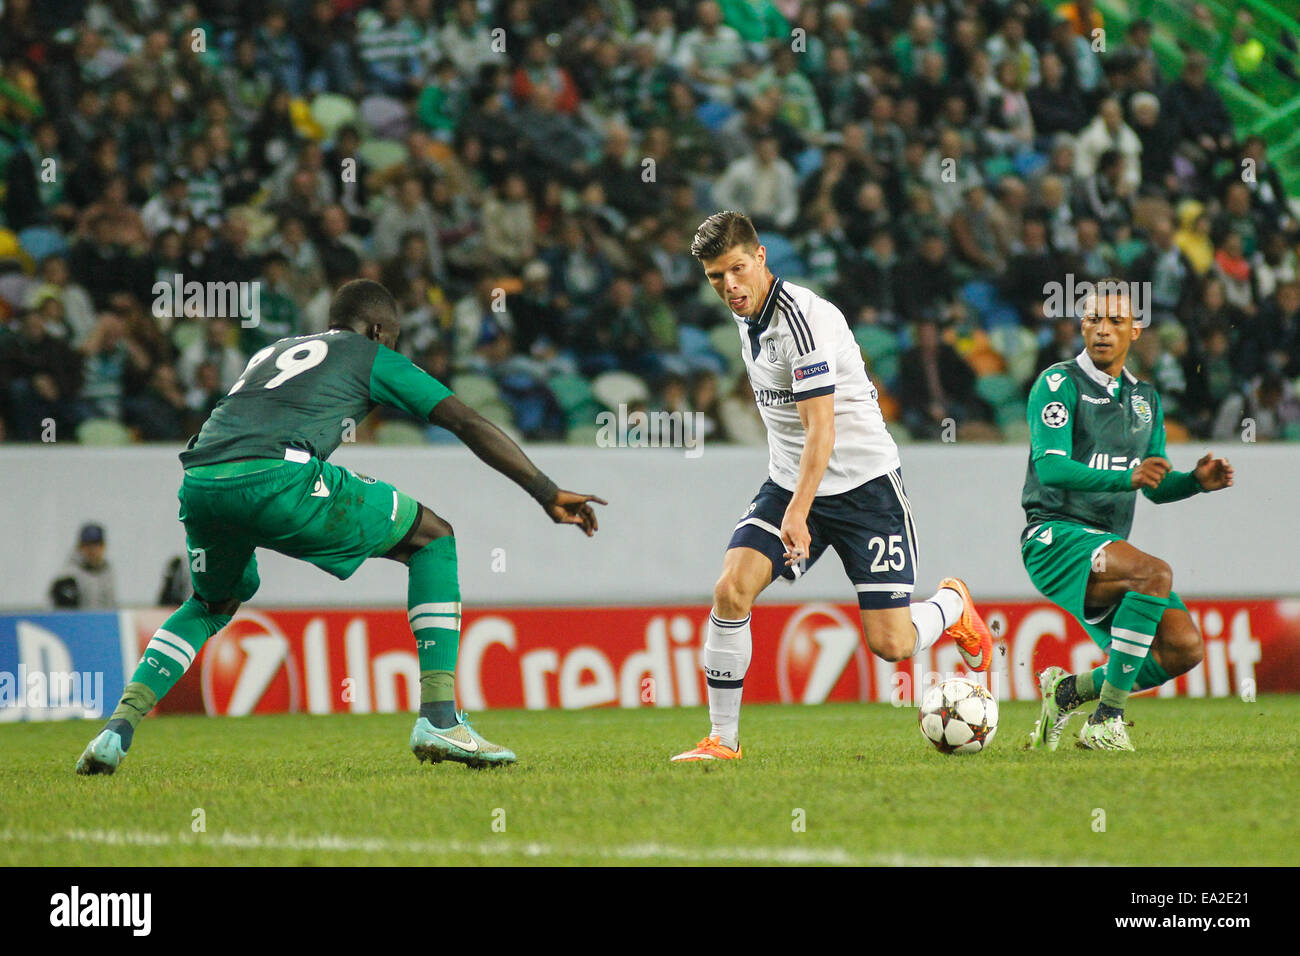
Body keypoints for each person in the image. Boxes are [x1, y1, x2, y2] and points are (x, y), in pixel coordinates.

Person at [76, 279, 605, 775]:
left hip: (202, 479)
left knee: (212, 602)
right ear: (377, 331)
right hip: (279, 476)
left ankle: (116, 729)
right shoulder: (370, 355)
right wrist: (547, 492)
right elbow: (465, 421)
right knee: (432, 538)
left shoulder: (272, 351)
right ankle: (441, 720)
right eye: (391, 338)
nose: (391, 347)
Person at [670, 211, 993, 762]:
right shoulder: (749, 317)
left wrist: (797, 514)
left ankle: (950, 605)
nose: (729, 286)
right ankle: (722, 740)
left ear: (762, 257)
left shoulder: (802, 321)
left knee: (891, 643)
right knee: (731, 590)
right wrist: (794, 502)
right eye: (716, 277)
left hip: (866, 489)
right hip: (792, 483)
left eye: (737, 269)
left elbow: (824, 426)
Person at [1022, 283, 1234, 752]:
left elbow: (1154, 485)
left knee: (1184, 648)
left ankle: (1066, 693)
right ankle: (1106, 720)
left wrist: (1196, 481)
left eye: (1115, 322)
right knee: (1153, 573)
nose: (1102, 330)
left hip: (1105, 544)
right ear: (1081, 325)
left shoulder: (1145, 400)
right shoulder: (1058, 384)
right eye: (1094, 319)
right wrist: (1127, 479)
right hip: (1054, 535)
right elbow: (1051, 467)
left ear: (1135, 331)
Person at [50, 523, 117, 609]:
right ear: (80, 547)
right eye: (88, 546)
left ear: (103, 547)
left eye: (96, 545)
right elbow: (62, 611)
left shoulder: (108, 571)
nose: (92, 550)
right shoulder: (68, 576)